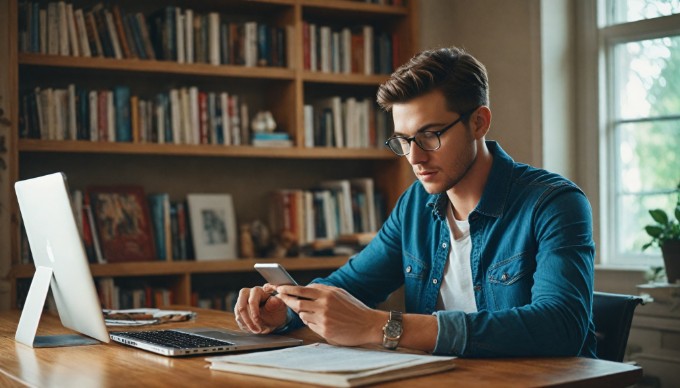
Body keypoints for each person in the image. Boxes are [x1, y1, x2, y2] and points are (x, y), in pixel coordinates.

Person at [234, 46, 597, 358]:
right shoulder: (415, 206)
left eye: (430, 135)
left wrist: (384, 326)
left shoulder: (554, 203)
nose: (415, 157)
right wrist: (286, 311)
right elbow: (352, 285)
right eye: (403, 140)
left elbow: (561, 325)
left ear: (479, 123)